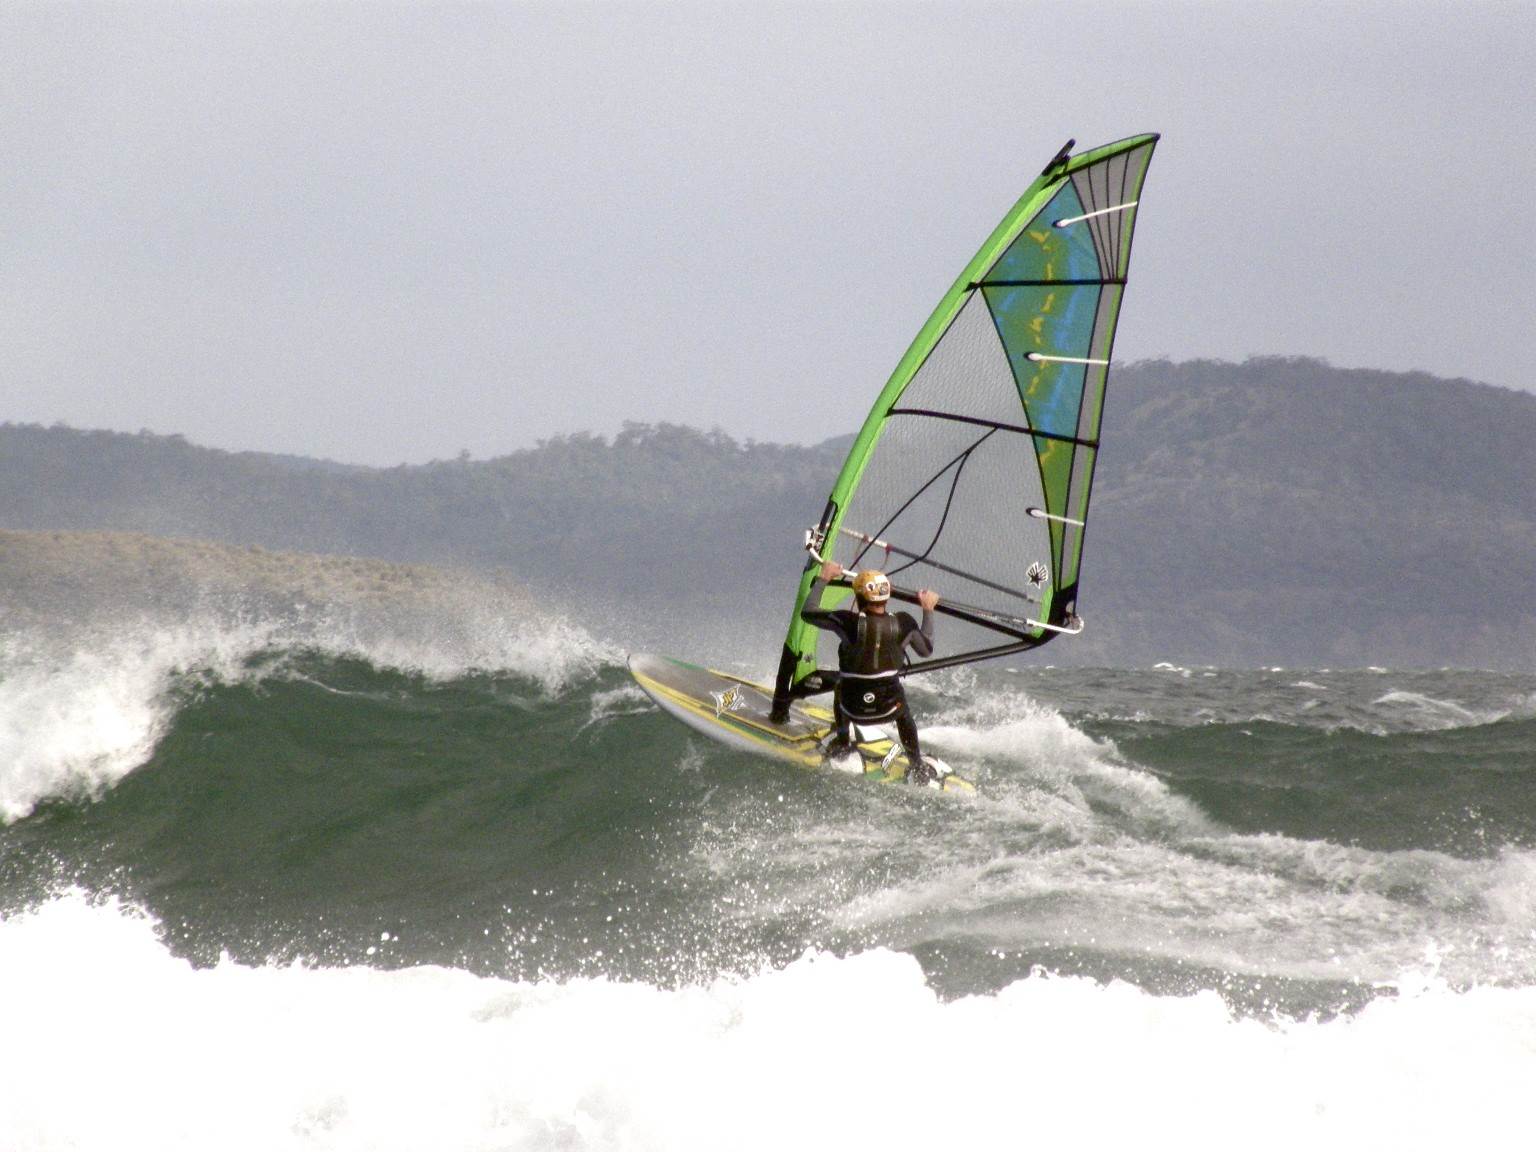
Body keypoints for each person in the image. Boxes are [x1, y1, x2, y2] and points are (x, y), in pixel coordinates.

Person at [801, 559, 940, 784]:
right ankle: (917, 765)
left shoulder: (847, 622)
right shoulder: (904, 623)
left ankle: (843, 743)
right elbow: (926, 649)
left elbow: (808, 612)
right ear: (887, 596)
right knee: (904, 713)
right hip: (890, 710)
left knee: (840, 683)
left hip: (852, 709)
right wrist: (928, 609)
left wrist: (824, 578)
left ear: (858, 597)